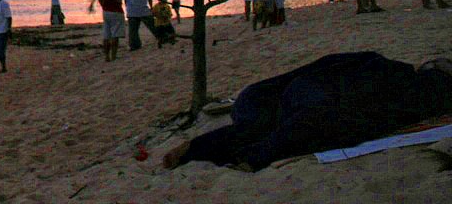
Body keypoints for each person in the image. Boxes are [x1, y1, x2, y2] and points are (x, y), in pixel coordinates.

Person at [164, 53, 452, 172]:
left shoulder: (382, 64)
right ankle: (247, 156)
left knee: (262, 125)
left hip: (287, 93)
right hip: (316, 100)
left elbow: (326, 63)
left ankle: (197, 149)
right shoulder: (416, 86)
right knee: (296, 127)